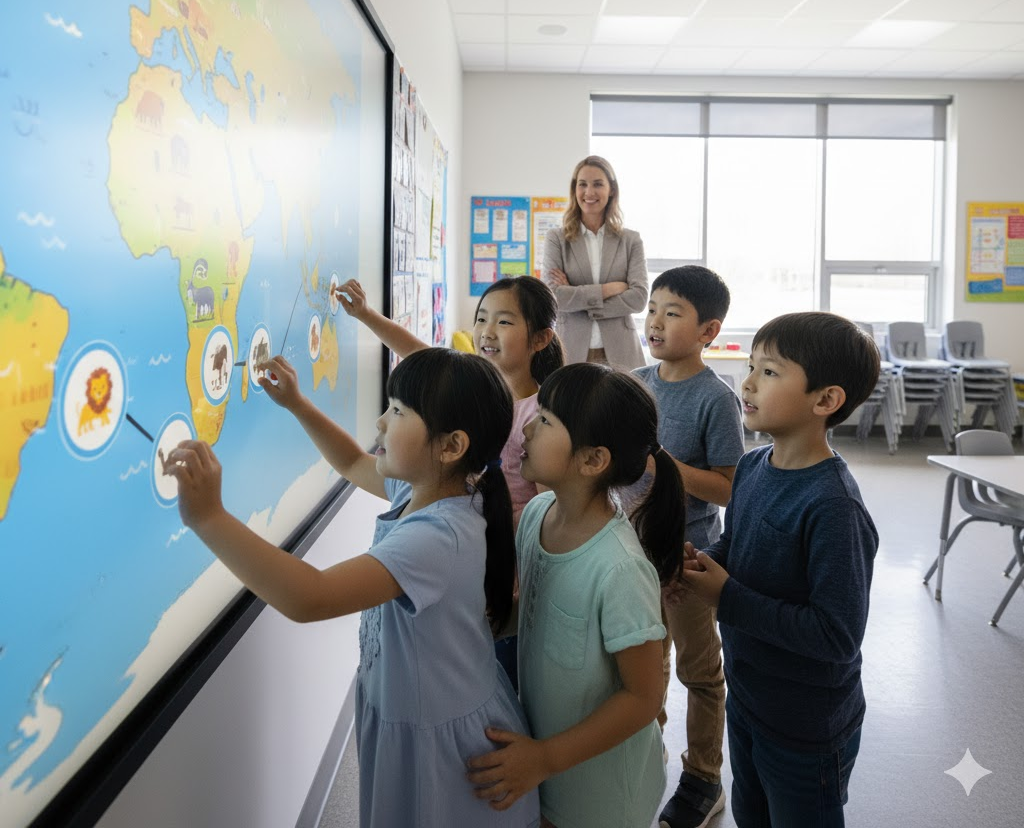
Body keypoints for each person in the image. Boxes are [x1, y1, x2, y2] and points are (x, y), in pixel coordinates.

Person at [166, 348, 541, 828]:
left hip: (446, 748)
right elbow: (349, 461)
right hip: (418, 714)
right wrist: (297, 403)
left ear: (451, 447)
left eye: (399, 412)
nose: (381, 423)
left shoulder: (436, 537)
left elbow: (310, 597)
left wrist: (209, 519)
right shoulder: (426, 488)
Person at [681, 312, 880, 828]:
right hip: (748, 698)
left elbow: (836, 635)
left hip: (806, 726)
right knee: (752, 811)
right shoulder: (752, 466)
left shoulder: (833, 507)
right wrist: (704, 565)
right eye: (751, 366)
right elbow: (737, 545)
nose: (746, 382)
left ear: (825, 400)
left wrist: (726, 597)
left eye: (769, 372)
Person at [467, 363, 687, 828]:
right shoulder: (539, 513)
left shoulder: (620, 570)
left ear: (593, 460)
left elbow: (643, 698)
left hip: (605, 796)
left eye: (545, 420)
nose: (526, 425)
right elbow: (533, 611)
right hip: (549, 772)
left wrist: (545, 758)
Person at [336, 275, 565, 688]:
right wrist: (367, 316)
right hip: (464, 550)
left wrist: (533, 583)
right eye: (481, 318)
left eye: (504, 322)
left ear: (540, 339)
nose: (487, 332)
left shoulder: (539, 413)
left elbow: (550, 510)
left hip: (505, 564)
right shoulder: (476, 385)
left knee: (498, 669)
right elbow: (419, 356)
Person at [627, 267, 744, 828]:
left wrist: (666, 467)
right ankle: (645, 757)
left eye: (672, 313)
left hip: (692, 557)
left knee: (700, 671)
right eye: (652, 309)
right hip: (627, 554)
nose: (655, 321)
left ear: (708, 330)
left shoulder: (716, 400)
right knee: (642, 665)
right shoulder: (631, 383)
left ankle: (703, 778)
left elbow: (727, 486)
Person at [542, 154, 647, 372]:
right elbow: (553, 297)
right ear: (575, 190)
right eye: (583, 184)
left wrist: (577, 299)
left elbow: (638, 298)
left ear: (612, 190)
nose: (589, 192)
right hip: (570, 350)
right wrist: (608, 289)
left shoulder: (630, 240)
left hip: (622, 352)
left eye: (598, 184)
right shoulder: (557, 239)